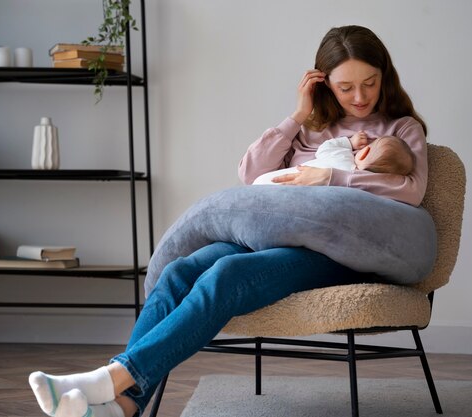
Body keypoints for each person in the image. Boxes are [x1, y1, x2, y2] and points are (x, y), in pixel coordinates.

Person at [28, 25, 428, 417]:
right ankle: (124, 404)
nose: (360, 97)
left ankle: (113, 379)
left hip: (334, 253)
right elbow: (251, 174)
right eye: (346, 87)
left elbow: (411, 191)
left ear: (384, 77)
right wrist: (297, 115)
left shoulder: (400, 129)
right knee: (179, 272)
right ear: (324, 85)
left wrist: (330, 176)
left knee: (229, 273)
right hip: (271, 237)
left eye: (370, 83)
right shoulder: (310, 129)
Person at [252, 131, 415, 185]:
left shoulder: (342, 155)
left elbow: (324, 148)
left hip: (265, 181)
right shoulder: (358, 187)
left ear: (364, 152)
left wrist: (350, 142)